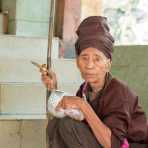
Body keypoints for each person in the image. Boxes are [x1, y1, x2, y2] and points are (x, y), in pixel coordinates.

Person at [41, 16, 148, 148]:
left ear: (108, 65)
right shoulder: (85, 89)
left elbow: (111, 144)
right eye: (84, 58)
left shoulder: (120, 92)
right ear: (77, 62)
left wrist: (83, 106)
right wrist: (54, 88)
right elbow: (77, 117)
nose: (89, 65)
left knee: (67, 125)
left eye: (97, 59)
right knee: (56, 124)